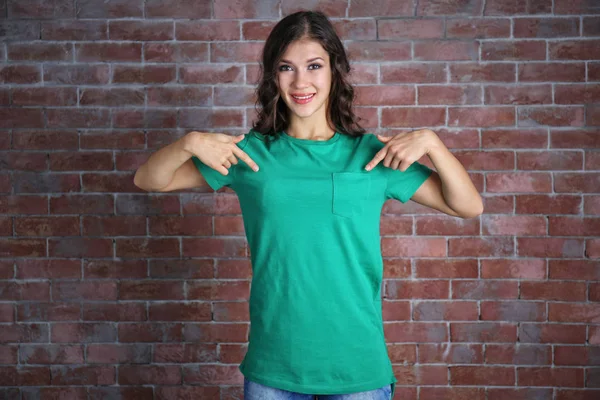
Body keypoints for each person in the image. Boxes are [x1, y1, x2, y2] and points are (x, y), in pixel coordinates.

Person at [134, 10, 483, 400]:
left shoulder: (372, 154)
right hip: (274, 369)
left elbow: (467, 206)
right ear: (273, 76)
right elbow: (149, 179)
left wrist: (433, 143)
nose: (301, 82)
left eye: (314, 66)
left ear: (336, 69)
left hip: (357, 369)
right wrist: (189, 142)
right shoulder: (251, 155)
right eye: (286, 68)